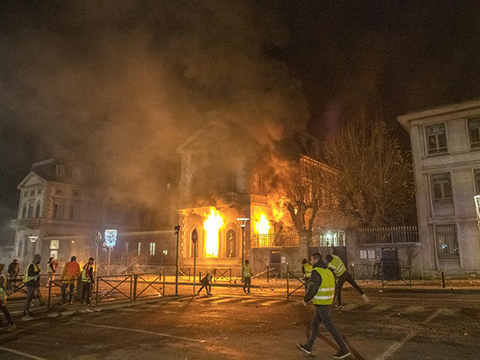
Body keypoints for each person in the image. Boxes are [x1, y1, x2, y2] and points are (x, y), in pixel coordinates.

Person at [297, 253, 351, 359]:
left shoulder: (316, 272)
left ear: (316, 260)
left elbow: (313, 288)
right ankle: (308, 346)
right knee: (315, 324)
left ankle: (344, 349)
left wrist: (305, 299)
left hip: (321, 302)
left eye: (312, 260)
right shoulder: (328, 271)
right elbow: (335, 287)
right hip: (327, 301)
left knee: (330, 326)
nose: (311, 262)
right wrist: (332, 298)